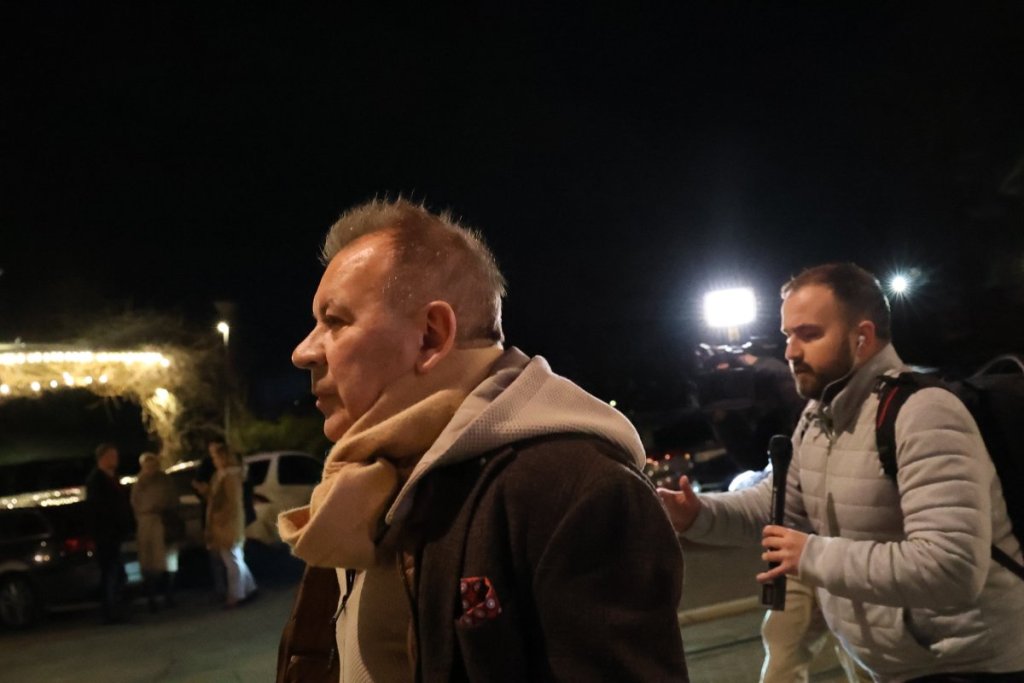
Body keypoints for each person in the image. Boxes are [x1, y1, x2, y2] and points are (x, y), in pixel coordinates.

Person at [277, 198, 688, 682]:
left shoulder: (576, 490)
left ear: (431, 336)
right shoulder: (365, 485)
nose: (302, 352)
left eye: (335, 321)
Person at [659, 263, 1024, 681]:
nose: (791, 352)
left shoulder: (924, 413)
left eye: (809, 334)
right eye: (788, 335)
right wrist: (697, 513)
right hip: (904, 667)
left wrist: (810, 554)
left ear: (862, 337)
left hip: (970, 666)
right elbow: (777, 508)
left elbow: (951, 566)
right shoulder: (819, 416)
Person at [204, 443, 257, 608]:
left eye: (215, 457)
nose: (214, 461)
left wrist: (220, 518)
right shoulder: (223, 475)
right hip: (226, 522)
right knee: (234, 557)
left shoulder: (230, 476)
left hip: (227, 523)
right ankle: (249, 587)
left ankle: (236, 594)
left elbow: (232, 503)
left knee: (231, 558)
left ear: (223, 457)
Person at [85, 442, 132, 623]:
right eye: (112, 456)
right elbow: (97, 510)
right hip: (106, 535)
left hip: (115, 534)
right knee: (110, 572)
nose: (116, 459)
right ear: (103, 458)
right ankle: (110, 611)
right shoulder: (97, 481)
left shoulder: (112, 478)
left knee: (116, 573)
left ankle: (115, 608)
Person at [130, 452, 179, 611]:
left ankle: (169, 595)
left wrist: (165, 509)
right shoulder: (139, 484)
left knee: (169, 563)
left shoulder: (165, 480)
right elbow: (136, 505)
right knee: (150, 564)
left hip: (165, 525)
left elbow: (173, 500)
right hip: (148, 527)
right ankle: (152, 598)